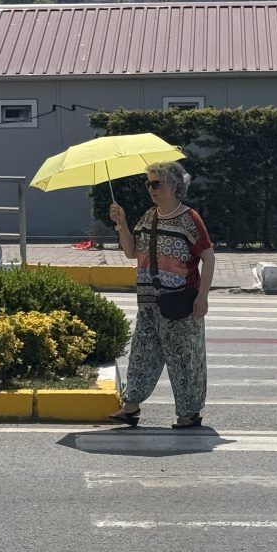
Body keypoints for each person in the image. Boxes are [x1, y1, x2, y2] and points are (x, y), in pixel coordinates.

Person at [106, 161, 215, 429]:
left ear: (175, 186)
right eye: (149, 184)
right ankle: (130, 407)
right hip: (148, 302)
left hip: (179, 302)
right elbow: (132, 252)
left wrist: (203, 297)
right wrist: (122, 225)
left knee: (183, 359)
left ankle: (189, 413)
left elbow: (209, 258)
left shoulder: (190, 219)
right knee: (141, 354)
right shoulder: (147, 217)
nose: (151, 189)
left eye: (157, 183)